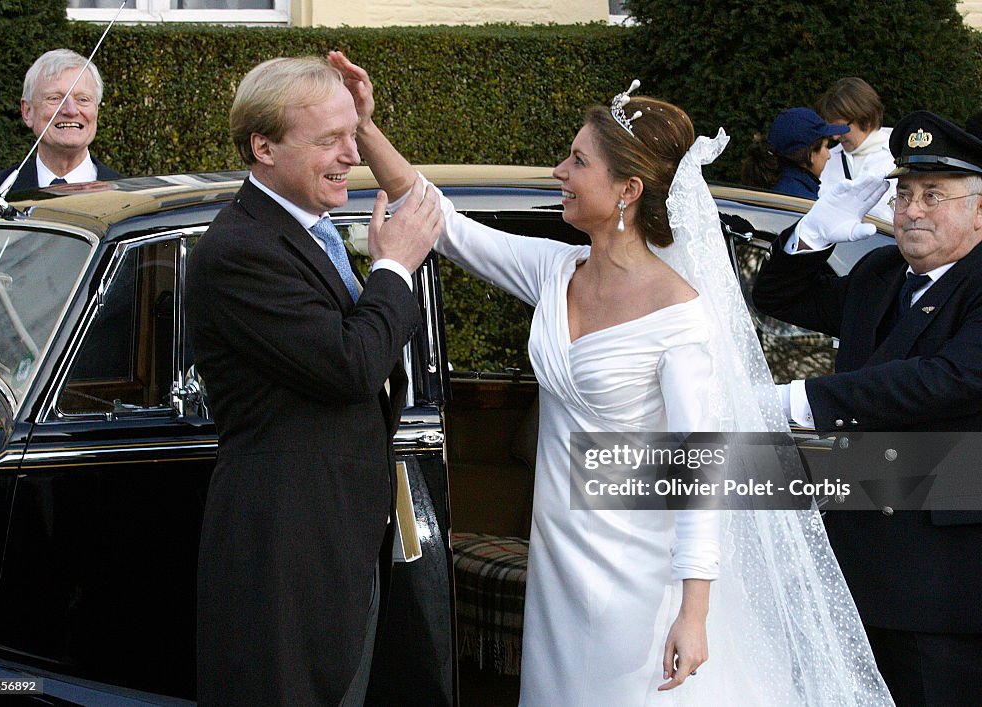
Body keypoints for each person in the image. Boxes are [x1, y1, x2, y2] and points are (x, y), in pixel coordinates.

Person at [330, 52, 892, 705]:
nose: (558, 172)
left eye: (576, 162)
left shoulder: (679, 316)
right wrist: (366, 129)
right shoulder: (555, 269)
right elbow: (441, 222)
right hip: (562, 567)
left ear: (627, 190)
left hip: (640, 583)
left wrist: (694, 612)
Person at [184, 56, 442, 705]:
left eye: (350, 136)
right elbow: (352, 364)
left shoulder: (307, 233)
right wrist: (394, 269)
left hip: (340, 540)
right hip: (285, 554)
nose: (350, 156)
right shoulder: (242, 249)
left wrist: (370, 124)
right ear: (262, 146)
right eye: (329, 139)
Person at [753, 111, 982, 705]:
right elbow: (780, 295)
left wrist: (803, 399)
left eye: (934, 195)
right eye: (904, 194)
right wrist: (816, 229)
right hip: (853, 559)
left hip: (939, 578)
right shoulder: (884, 271)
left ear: (981, 208)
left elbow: (952, 377)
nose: (911, 211)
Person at [0, 49, 122, 205]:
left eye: (83, 99)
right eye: (54, 98)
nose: (71, 111)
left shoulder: (129, 199)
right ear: (27, 111)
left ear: (96, 111)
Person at [816, 77, 895, 220]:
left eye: (840, 127)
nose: (835, 137)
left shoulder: (898, 157)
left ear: (865, 117)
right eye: (831, 128)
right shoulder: (826, 161)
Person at [740, 107, 849, 199]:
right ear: (810, 154)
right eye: (825, 147)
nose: (828, 155)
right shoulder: (803, 204)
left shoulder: (771, 188)